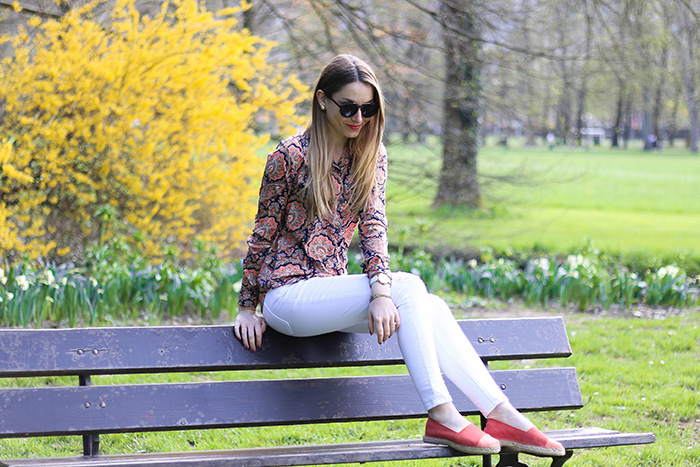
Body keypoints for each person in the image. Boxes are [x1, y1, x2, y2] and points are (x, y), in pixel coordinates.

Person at [233, 54, 565, 458]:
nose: (359, 117)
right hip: (287, 299)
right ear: (322, 100)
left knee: (429, 304)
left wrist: (380, 291)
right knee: (408, 289)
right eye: (349, 107)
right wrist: (247, 305)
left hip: (328, 294)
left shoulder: (372, 155)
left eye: (369, 108)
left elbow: (374, 229)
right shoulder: (289, 157)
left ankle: (502, 415)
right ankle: (442, 414)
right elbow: (261, 234)